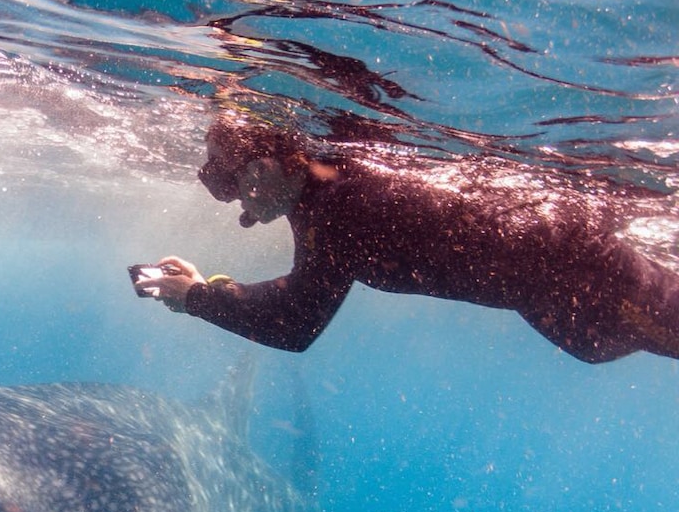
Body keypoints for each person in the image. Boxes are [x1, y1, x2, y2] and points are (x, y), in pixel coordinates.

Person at [134, 114, 679, 363]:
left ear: (268, 164)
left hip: (596, 285)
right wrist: (207, 290)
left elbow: (295, 323)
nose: (230, 201)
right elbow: (298, 297)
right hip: (573, 304)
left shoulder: (342, 208)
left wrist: (200, 298)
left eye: (225, 180)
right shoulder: (326, 195)